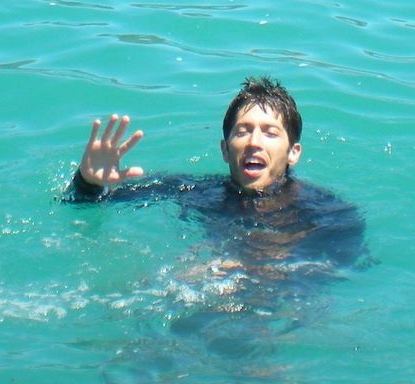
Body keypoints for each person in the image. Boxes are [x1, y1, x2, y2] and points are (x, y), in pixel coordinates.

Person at [64, 76, 367, 281]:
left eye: (270, 133)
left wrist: (257, 269)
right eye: (242, 131)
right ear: (225, 150)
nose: (253, 142)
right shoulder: (194, 192)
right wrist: (89, 182)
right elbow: (86, 205)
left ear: (293, 152)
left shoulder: (327, 215)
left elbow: (336, 273)